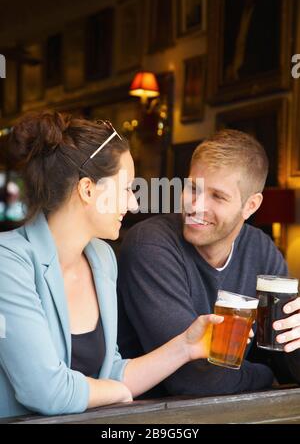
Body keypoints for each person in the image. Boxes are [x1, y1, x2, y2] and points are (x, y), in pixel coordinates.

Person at [0, 111, 224, 419]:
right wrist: (117, 392)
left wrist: (185, 347)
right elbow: (46, 391)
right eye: (126, 188)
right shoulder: (8, 263)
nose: (133, 204)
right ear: (88, 190)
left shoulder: (102, 258)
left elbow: (110, 371)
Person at [117, 130, 300, 398]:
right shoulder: (150, 244)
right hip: (152, 417)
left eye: (217, 196)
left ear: (250, 206)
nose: (195, 206)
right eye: (193, 188)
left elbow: (286, 365)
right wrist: (265, 374)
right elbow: (195, 379)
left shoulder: (261, 250)